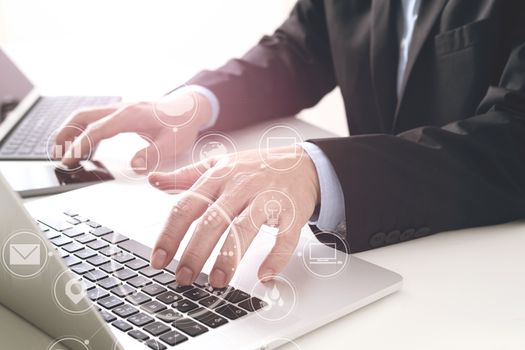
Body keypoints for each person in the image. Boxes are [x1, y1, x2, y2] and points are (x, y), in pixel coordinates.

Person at [55, 0, 525, 289]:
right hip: (372, 266)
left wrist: (319, 171)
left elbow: (514, 137)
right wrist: (198, 104)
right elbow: (298, 50)